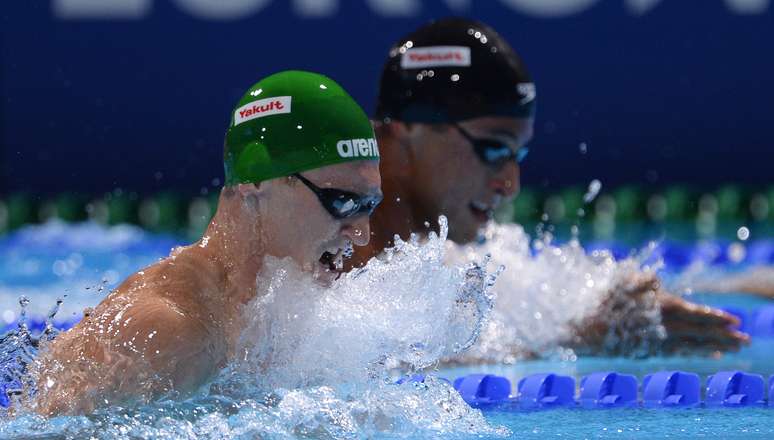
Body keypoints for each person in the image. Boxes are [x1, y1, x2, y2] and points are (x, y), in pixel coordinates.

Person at [348, 18, 748, 356]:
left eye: (517, 156)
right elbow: (362, 361)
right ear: (403, 131)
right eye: (493, 149)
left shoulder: (428, 257)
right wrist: (585, 336)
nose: (510, 186)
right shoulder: (327, 242)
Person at [31, 70, 383, 415]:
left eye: (370, 206)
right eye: (343, 202)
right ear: (257, 178)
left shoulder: (282, 314)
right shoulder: (170, 332)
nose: (362, 233)